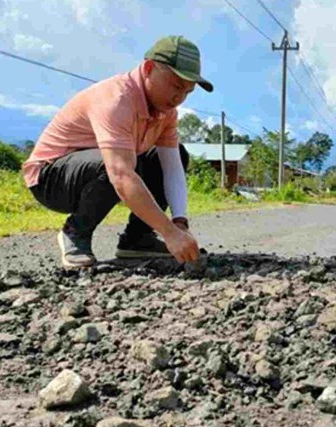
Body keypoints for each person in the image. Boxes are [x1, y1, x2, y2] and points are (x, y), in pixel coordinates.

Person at [22, 36, 211, 268]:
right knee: (115, 164)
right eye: (176, 86)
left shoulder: (166, 113)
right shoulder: (117, 99)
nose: (179, 98)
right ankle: (75, 233)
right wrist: (170, 233)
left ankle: (137, 240)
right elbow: (120, 174)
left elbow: (171, 167)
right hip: (51, 178)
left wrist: (179, 223)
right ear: (149, 68)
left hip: (104, 166)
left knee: (173, 153)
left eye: (188, 92)